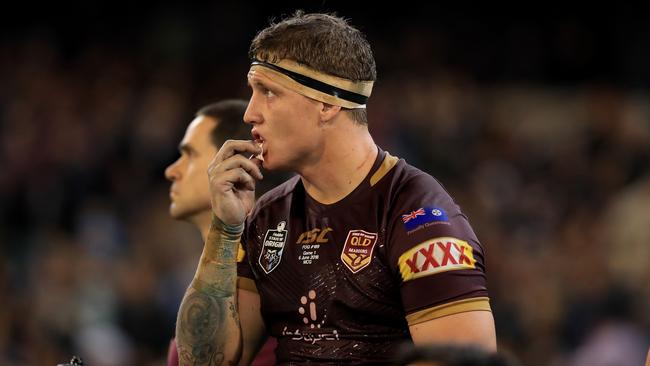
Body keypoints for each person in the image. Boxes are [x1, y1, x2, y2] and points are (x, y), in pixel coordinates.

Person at [175, 11, 496, 365]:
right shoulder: (268, 218)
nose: (250, 113)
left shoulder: (417, 216)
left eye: (268, 92)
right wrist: (225, 229)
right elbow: (205, 361)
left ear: (327, 102)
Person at [164, 100, 276, 366]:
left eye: (189, 155)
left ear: (235, 164)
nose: (172, 171)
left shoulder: (263, 278)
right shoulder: (215, 273)